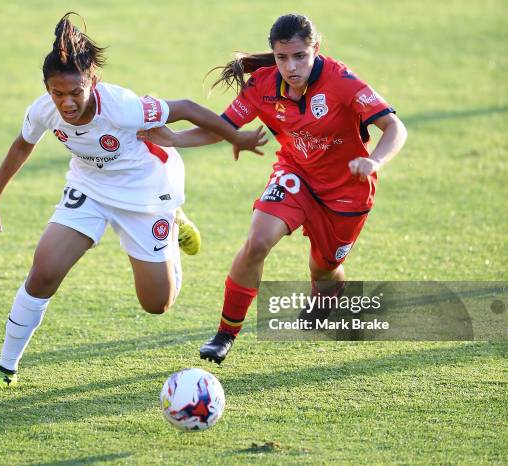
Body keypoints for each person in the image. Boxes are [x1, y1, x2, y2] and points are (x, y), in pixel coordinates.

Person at [0, 12, 266, 392]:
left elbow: (188, 106)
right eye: (58, 93)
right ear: (47, 88)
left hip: (146, 192)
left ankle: (172, 221)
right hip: (90, 190)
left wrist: (235, 138)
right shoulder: (43, 109)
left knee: (157, 304)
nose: (67, 102)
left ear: (94, 81)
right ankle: (5, 368)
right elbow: (22, 145)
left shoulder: (123, 106)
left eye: (75, 92)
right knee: (43, 272)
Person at [139, 13, 407, 363]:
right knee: (257, 242)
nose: (291, 67)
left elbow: (395, 128)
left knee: (324, 268)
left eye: (299, 56)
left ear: (316, 49)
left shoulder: (342, 81)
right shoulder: (263, 84)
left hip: (347, 190)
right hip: (295, 175)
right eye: (282, 57)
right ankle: (225, 333)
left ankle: (328, 294)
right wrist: (174, 138)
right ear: (274, 55)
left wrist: (374, 161)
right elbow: (222, 127)